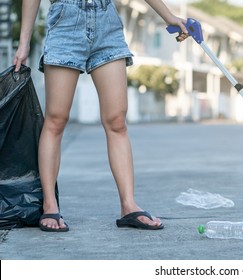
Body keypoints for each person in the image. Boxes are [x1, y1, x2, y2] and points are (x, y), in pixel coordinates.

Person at [13, 0, 189, 232]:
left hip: (107, 22)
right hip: (66, 20)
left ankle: (129, 206)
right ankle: (49, 205)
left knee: (117, 121)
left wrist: (169, 16)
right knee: (56, 119)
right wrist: (24, 41)